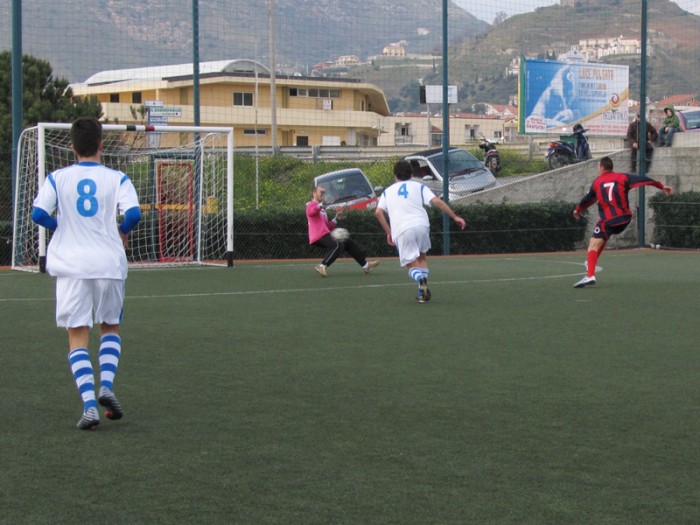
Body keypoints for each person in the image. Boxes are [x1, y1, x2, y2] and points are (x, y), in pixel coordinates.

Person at [31, 117, 142, 429]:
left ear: (72, 147)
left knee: (77, 335)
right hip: (109, 263)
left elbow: (38, 213)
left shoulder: (57, 178)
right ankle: (106, 383)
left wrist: (60, 226)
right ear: (101, 146)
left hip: (72, 266)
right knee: (110, 326)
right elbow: (134, 214)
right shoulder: (118, 178)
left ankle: (90, 405)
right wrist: (121, 231)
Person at [572, 156, 673, 288]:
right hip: (625, 219)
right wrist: (661, 186)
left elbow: (589, 198)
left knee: (592, 245)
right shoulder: (623, 177)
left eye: (598, 167)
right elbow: (643, 179)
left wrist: (578, 210)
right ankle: (591, 262)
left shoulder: (597, 182)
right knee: (602, 238)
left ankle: (590, 275)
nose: (597, 169)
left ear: (602, 168)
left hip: (609, 220)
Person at [375, 160, 467, 304]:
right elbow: (437, 201)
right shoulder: (419, 186)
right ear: (411, 174)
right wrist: (455, 216)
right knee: (422, 258)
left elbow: (378, 212)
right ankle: (421, 292)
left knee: (410, 263)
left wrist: (389, 232)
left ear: (395, 175)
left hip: (402, 229)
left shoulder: (387, 192)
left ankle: (420, 279)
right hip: (422, 225)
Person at [306, 185, 379, 277]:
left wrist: (336, 218)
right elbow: (310, 212)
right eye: (321, 192)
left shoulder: (322, 210)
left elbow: (327, 227)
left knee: (347, 241)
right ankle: (322, 266)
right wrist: (320, 205)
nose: (324, 194)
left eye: (324, 192)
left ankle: (366, 265)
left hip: (324, 234)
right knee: (338, 245)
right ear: (314, 193)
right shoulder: (311, 204)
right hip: (318, 236)